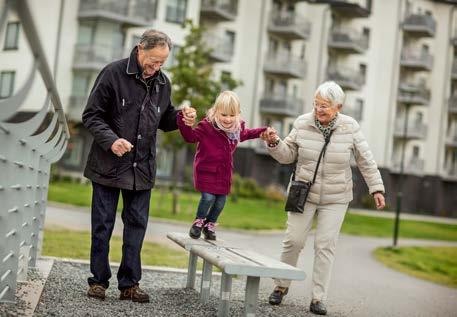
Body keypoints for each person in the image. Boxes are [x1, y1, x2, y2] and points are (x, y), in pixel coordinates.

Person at [82, 29, 196, 303]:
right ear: (139, 49)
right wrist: (111, 140)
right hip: (108, 165)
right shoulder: (112, 73)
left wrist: (182, 117)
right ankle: (98, 281)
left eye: (162, 63)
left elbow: (165, 119)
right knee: (103, 226)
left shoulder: (163, 83)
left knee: (136, 227)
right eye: (153, 60)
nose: (156, 67)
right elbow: (91, 115)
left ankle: (129, 284)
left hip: (142, 169)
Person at [264, 81, 385, 315]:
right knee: (294, 240)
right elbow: (287, 155)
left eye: (325, 106)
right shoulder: (302, 122)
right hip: (304, 193)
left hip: (336, 197)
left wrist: (376, 188)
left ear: (338, 107)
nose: (319, 110)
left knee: (325, 246)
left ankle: (318, 298)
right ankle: (281, 285)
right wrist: (274, 144)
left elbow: (366, 160)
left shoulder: (350, 127)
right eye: (316, 104)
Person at [177, 91, 268, 240]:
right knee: (208, 198)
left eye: (232, 115)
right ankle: (198, 222)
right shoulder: (207, 126)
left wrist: (262, 131)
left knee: (220, 202)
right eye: (224, 115)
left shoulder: (236, 129)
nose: (227, 119)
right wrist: (184, 122)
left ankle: (209, 225)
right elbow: (190, 137)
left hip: (223, 173)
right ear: (216, 111)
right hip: (206, 170)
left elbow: (247, 134)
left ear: (237, 114)